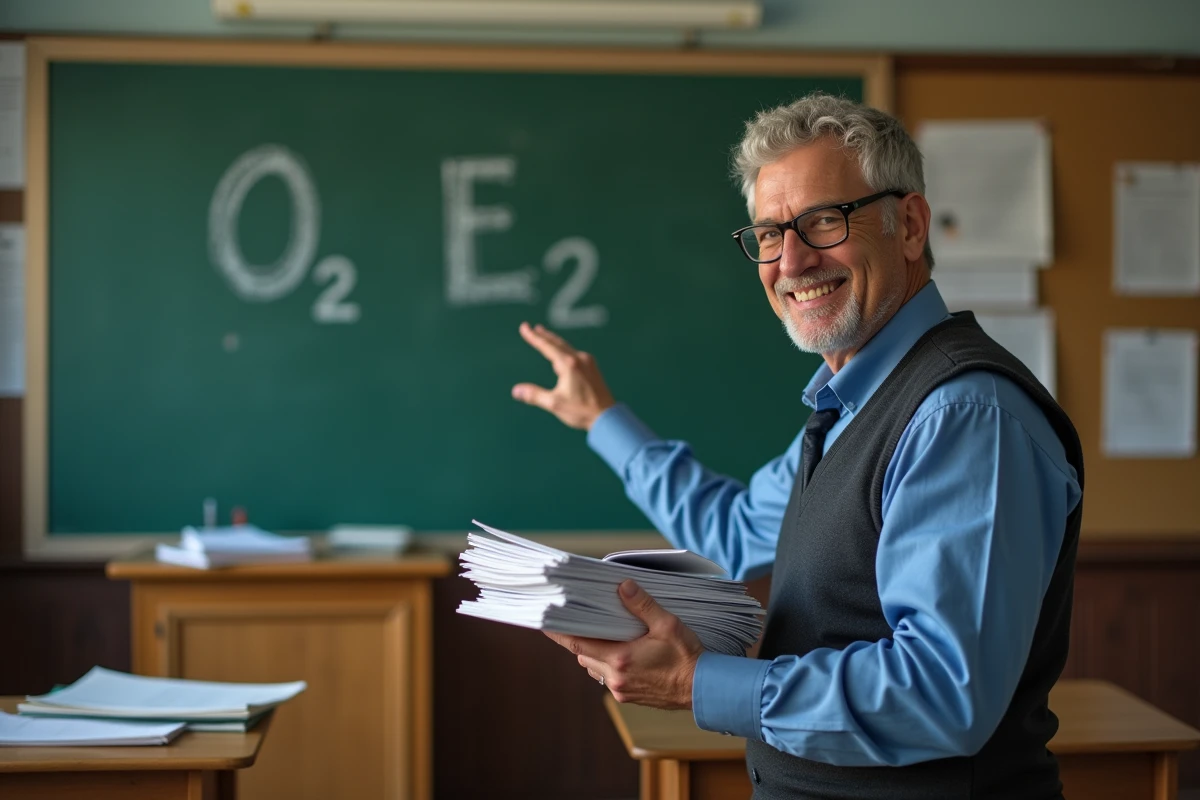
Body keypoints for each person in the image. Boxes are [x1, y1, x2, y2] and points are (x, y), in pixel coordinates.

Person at [511, 92, 1083, 799]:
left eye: (823, 222)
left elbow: (943, 691)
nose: (793, 262)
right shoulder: (852, 405)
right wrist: (604, 420)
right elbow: (737, 529)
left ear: (908, 226)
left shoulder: (962, 415)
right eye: (771, 234)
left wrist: (699, 682)